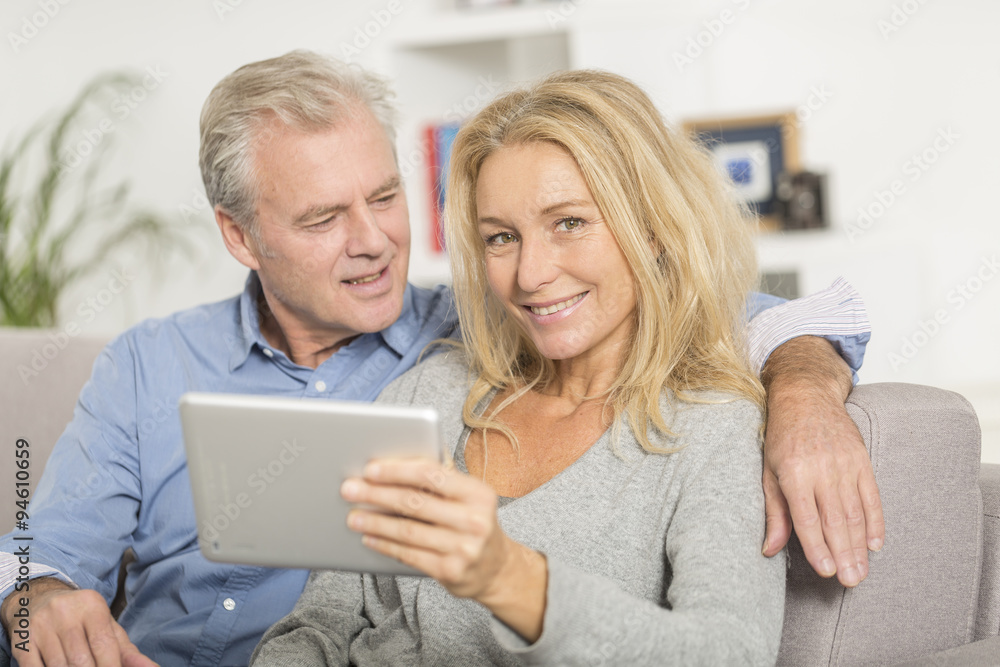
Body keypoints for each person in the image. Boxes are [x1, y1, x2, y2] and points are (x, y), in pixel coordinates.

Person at [0, 51, 874, 667]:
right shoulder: (150, 363)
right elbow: (37, 541)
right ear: (240, 235)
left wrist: (803, 385)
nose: (374, 242)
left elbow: (695, 303)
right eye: (321, 218)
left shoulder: (478, 325)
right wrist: (29, 594)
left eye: (385, 197)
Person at [252, 68, 788, 665]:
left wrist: (510, 577)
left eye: (569, 223)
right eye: (501, 237)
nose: (530, 275)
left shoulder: (713, 429)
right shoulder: (427, 391)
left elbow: (728, 652)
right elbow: (320, 623)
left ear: (655, 229)